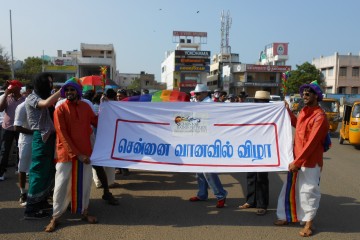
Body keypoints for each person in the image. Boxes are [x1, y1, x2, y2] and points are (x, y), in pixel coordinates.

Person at [274, 81, 329, 237]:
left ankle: (309, 224)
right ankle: (286, 216)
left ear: (316, 96)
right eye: (303, 93)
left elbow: (311, 143)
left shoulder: (320, 117)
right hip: (296, 159)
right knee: (290, 189)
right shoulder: (304, 111)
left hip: (310, 162)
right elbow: (297, 125)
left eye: (308, 93)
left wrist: (298, 162)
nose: (304, 95)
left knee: (308, 192)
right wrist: (287, 111)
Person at [45, 78, 99, 232]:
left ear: (78, 92)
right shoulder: (60, 109)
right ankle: (55, 217)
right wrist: (77, 154)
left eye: (72, 90)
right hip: (66, 154)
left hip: (85, 153)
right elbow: (62, 134)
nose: (69, 92)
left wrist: (110, 108)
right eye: (66, 90)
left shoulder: (85, 107)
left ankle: (84, 211)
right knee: (61, 185)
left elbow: (96, 121)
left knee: (85, 184)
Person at [24, 73, 61, 219]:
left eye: (52, 83)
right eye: (48, 83)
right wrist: (61, 91)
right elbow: (45, 104)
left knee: (48, 171)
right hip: (41, 137)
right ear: (40, 84)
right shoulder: (32, 98)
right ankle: (31, 208)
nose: (51, 86)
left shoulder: (45, 96)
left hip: (50, 138)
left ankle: (42, 201)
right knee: (39, 172)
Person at [189, 84, 228, 208]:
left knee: (207, 171)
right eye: (195, 94)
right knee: (199, 171)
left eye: (198, 94)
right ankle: (202, 194)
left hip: (208, 142)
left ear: (205, 93)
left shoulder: (210, 104)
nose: (196, 96)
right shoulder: (199, 103)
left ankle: (221, 194)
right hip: (199, 140)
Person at [239, 90, 270, 216]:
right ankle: (250, 201)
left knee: (262, 177)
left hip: (264, 149)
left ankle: (262, 204)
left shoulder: (272, 113)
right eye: (259, 101)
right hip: (250, 148)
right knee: (251, 176)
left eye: (263, 102)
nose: (260, 103)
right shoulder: (250, 112)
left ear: (267, 103)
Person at [0, 80, 25, 181]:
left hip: (20, 127)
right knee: (4, 150)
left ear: (18, 88)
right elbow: (1, 109)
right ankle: (1, 172)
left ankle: (19, 169)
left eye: (12, 86)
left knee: (21, 149)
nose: (10, 88)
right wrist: (5, 94)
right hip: (7, 128)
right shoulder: (7, 98)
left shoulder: (24, 99)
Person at [14, 100, 33, 206]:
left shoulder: (40, 104)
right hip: (25, 141)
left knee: (35, 168)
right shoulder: (22, 107)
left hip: (38, 141)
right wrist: (34, 132)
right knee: (23, 168)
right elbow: (17, 127)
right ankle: (22, 193)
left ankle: (33, 193)